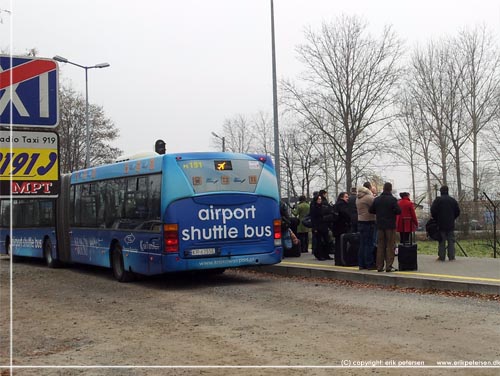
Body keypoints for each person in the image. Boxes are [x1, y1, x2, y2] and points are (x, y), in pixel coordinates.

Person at [369, 182, 401, 272]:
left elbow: (371, 210)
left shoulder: (377, 199)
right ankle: (389, 266)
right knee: (390, 246)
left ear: (383, 188)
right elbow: (399, 211)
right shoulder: (392, 200)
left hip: (379, 225)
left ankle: (379, 266)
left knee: (380, 246)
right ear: (390, 189)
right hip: (390, 226)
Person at [430, 185, 460, 261]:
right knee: (451, 241)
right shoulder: (453, 200)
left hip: (440, 224)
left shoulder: (438, 200)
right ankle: (451, 256)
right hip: (450, 224)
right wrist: (453, 218)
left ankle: (441, 257)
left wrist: (436, 218)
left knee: (441, 241)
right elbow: (457, 212)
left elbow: (433, 210)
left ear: (440, 192)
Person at [356, 183, 376, 270]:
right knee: (369, 244)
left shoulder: (358, 197)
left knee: (362, 244)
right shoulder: (368, 197)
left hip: (361, 221)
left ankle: (361, 264)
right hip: (369, 221)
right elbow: (375, 205)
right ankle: (369, 264)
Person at [309, 194, 333, 261]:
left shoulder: (323, 207)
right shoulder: (314, 207)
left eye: (320, 199)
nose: (320, 200)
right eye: (318, 199)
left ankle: (326, 254)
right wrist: (314, 228)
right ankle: (319, 255)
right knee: (319, 242)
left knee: (326, 241)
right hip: (318, 226)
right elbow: (313, 219)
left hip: (324, 226)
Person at [331, 192, 351, 262]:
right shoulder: (343, 205)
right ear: (342, 197)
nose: (347, 198)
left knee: (337, 244)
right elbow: (346, 214)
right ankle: (341, 260)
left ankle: (337, 260)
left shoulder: (336, 205)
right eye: (346, 197)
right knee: (341, 244)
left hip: (336, 227)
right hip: (342, 227)